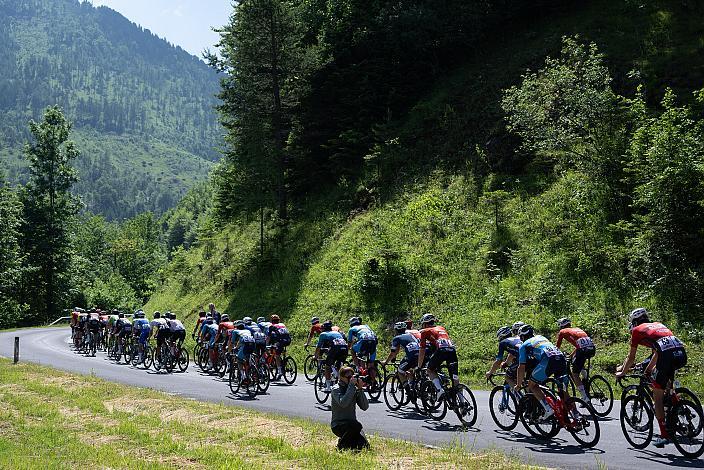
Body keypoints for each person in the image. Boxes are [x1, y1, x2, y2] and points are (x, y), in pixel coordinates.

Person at [615, 308, 687, 448]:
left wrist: (622, 373)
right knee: (666, 386)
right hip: (680, 353)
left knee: (657, 397)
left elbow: (631, 358)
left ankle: (664, 435)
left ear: (634, 322)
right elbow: (657, 352)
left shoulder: (636, 331)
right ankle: (678, 405)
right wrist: (648, 370)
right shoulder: (658, 324)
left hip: (666, 356)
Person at [515, 324, 569, 420]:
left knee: (532, 385)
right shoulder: (541, 337)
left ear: (522, 336)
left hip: (548, 360)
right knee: (564, 391)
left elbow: (521, 367)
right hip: (561, 358)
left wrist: (519, 385)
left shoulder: (523, 345)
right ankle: (576, 415)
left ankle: (548, 409)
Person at [417, 314, 458, 401]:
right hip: (452, 350)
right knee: (455, 377)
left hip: (441, 351)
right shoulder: (441, 328)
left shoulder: (424, 331)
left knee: (430, 370)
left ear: (425, 324)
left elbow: (422, 350)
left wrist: (419, 366)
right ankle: (462, 403)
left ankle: (440, 390)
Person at [555, 317, 595, 401]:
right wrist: (571, 355)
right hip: (591, 349)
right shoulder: (577, 329)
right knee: (578, 363)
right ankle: (585, 379)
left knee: (575, 374)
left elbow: (557, 347)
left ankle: (584, 397)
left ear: (560, 326)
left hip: (582, 350)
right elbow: (579, 346)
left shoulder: (562, 331)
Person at [331, 366, 370, 451]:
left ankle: (345, 441)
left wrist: (360, 389)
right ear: (340, 377)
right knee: (357, 425)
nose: (351, 379)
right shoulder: (336, 389)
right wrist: (352, 386)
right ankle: (341, 445)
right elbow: (343, 403)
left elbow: (365, 407)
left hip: (352, 425)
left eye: (352, 377)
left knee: (364, 446)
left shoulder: (353, 389)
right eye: (348, 377)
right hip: (338, 425)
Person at [382, 322, 423, 395]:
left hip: (411, 357)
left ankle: (408, 391)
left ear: (396, 330)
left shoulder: (397, 338)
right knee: (411, 369)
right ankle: (413, 385)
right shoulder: (411, 335)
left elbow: (393, 352)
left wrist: (386, 362)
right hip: (421, 355)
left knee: (400, 371)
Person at [315, 320, 349, 392]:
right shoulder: (336, 332)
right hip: (345, 348)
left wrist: (315, 356)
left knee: (327, 367)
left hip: (335, 348)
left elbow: (318, 347)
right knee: (339, 367)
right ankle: (342, 379)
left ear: (323, 329)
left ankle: (328, 387)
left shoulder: (323, 334)